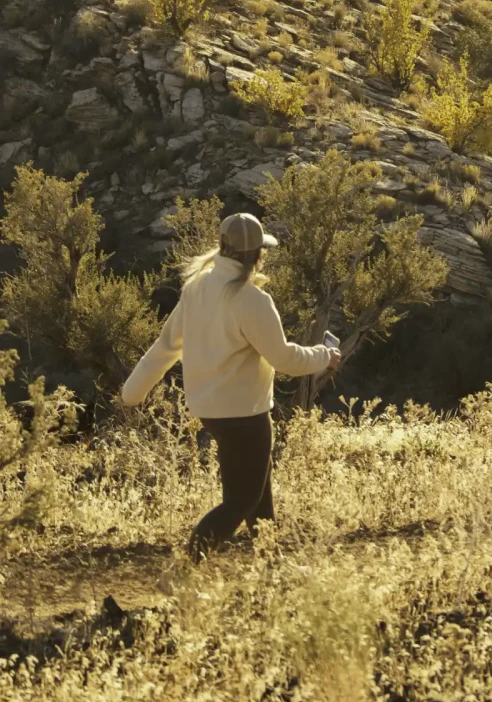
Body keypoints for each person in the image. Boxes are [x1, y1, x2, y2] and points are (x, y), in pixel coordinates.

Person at [121, 212, 338, 561]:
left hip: (211, 411)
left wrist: (132, 393)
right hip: (245, 415)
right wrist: (324, 356)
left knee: (259, 498)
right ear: (258, 254)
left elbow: (166, 347)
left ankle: (271, 572)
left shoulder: (197, 288)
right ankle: (182, 572)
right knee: (241, 501)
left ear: (222, 246)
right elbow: (283, 359)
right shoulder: (251, 300)